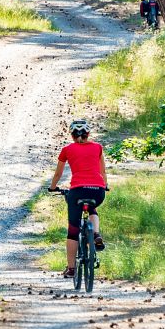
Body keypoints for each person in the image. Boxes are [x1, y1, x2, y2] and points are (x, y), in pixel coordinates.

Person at [48, 119, 108, 278]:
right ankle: (95, 234)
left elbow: (58, 174)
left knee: (73, 230)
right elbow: (102, 172)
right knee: (92, 208)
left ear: (72, 135)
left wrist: (53, 187)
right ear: (88, 134)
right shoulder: (98, 147)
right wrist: (105, 185)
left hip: (77, 191)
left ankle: (71, 269)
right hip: (98, 191)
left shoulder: (67, 149)